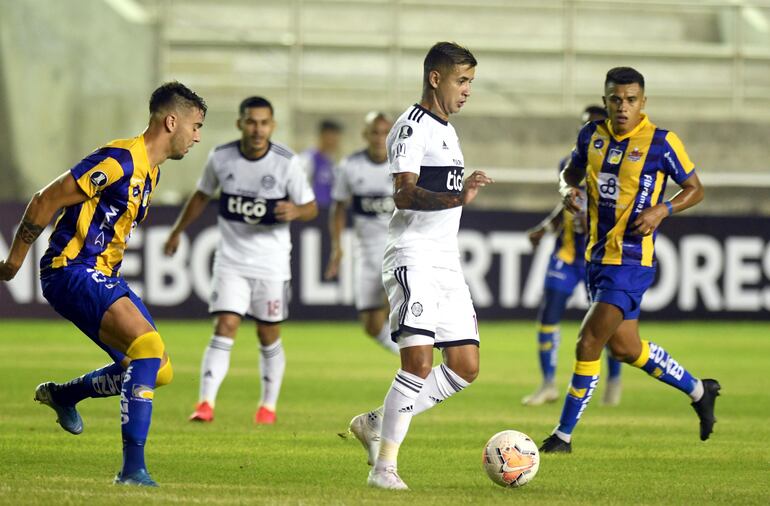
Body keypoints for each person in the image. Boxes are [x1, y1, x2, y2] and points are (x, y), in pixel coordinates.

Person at [0, 82, 207, 486]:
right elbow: (46, 199)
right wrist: (13, 262)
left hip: (99, 275)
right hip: (71, 269)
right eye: (195, 126)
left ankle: (65, 395)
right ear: (171, 121)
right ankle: (133, 470)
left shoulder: (152, 173)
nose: (197, 136)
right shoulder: (119, 159)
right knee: (147, 350)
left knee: (157, 369)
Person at [539, 67, 720, 454]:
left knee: (589, 340)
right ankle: (700, 390)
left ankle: (563, 435)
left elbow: (695, 189)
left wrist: (662, 210)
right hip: (596, 258)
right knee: (625, 348)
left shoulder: (661, 142)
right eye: (616, 99)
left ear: (643, 102)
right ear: (605, 101)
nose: (623, 107)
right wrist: (566, 191)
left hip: (632, 260)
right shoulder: (591, 135)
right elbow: (569, 174)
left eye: (631, 100)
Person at [343, 41, 493, 490]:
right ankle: (383, 468)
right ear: (435, 78)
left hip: (445, 261)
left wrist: (457, 190)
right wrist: (457, 196)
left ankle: (375, 421)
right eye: (461, 80)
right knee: (418, 363)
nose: (467, 90)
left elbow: (437, 188)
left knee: (465, 366)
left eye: (470, 82)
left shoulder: (447, 129)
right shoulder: (411, 127)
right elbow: (404, 193)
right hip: (413, 256)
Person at [164, 96, 317, 425]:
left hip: (272, 263)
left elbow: (311, 206)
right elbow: (202, 195)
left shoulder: (286, 163)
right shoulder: (221, 157)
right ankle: (205, 402)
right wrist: (177, 231)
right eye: (251, 121)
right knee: (226, 324)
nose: (257, 129)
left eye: (263, 123)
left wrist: (296, 211)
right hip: (231, 260)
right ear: (240, 123)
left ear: (272, 126)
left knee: (267, 333)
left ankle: (268, 407)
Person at [522, 105, 624, 407]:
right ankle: (548, 384)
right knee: (548, 318)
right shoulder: (570, 162)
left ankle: (614, 382)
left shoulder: (617, 165)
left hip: (600, 257)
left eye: (594, 124)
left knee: (607, 325)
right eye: (584, 125)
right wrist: (544, 228)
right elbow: (566, 204)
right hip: (567, 256)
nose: (589, 130)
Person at [324, 111, 399, 355]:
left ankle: (419, 365)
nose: (379, 138)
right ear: (365, 135)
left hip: (398, 248)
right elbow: (338, 207)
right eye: (374, 132)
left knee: (400, 303)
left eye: (384, 132)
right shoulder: (350, 166)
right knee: (372, 325)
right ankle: (412, 361)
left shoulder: (403, 165)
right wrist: (337, 247)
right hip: (366, 253)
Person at [299, 119, 343, 210]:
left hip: (327, 212)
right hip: (312, 212)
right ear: (324, 136)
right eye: (333, 136)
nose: (336, 141)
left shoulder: (331, 161)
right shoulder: (308, 159)